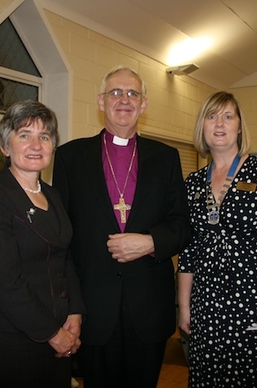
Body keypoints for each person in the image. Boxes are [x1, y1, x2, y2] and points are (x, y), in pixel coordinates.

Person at [52, 66, 191, 388]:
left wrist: (151, 242)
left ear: (143, 104)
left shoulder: (165, 157)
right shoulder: (70, 157)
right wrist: (69, 305)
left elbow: (182, 225)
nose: (124, 100)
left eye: (133, 94)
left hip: (149, 306)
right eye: (115, 92)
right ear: (101, 101)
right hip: (93, 306)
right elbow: (63, 238)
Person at [176, 91, 257, 386]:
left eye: (228, 116)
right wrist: (184, 306)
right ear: (202, 126)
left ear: (239, 126)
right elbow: (189, 250)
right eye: (211, 116)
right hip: (207, 304)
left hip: (255, 299)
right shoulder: (191, 184)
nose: (219, 124)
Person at [0, 100, 84, 387]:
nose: (36, 144)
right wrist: (53, 334)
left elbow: (64, 255)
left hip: (60, 332)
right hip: (14, 341)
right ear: (5, 147)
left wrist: (75, 312)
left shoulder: (53, 196)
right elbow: (4, 282)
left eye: (44, 136)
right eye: (24, 135)